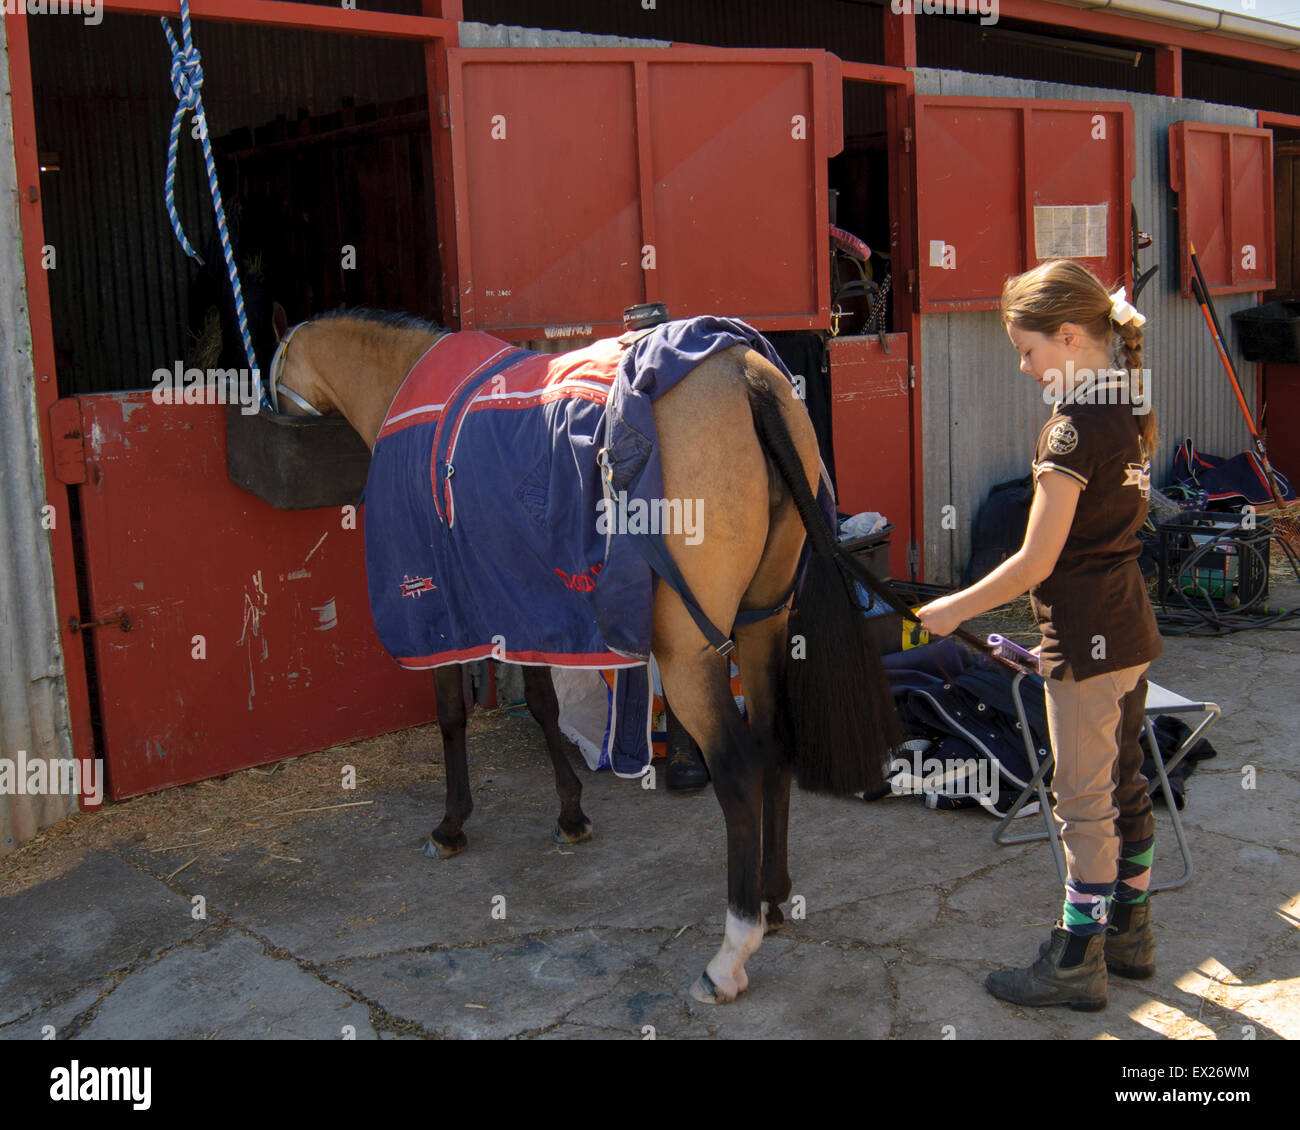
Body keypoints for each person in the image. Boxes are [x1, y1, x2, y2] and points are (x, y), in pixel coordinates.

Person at [916, 259, 1163, 1012]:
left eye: (1027, 350)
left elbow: (1035, 560)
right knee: (1124, 785)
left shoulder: (1069, 429)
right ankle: (1131, 934)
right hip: (1129, 631)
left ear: (1066, 336)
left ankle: (1075, 962)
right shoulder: (1128, 402)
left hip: (1086, 639)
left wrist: (954, 609)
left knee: (1081, 805)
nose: (1024, 367)